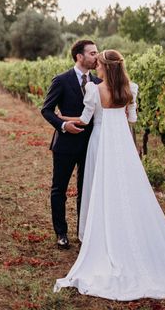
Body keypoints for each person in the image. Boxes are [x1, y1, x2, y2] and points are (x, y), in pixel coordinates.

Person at [54, 49, 165, 300]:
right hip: (123, 143)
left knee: (102, 188)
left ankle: (101, 235)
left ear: (106, 67)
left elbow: (85, 120)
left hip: (101, 141)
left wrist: (63, 118)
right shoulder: (131, 89)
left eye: (99, 64)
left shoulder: (94, 90)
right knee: (127, 188)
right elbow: (133, 119)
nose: (96, 67)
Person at [41, 40, 101, 250]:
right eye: (92, 53)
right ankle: (61, 233)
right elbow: (46, 110)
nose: (96, 57)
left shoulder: (99, 82)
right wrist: (64, 125)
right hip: (65, 143)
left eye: (97, 52)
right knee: (60, 189)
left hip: (90, 144)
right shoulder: (61, 80)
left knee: (86, 190)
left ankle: (83, 232)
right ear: (79, 56)